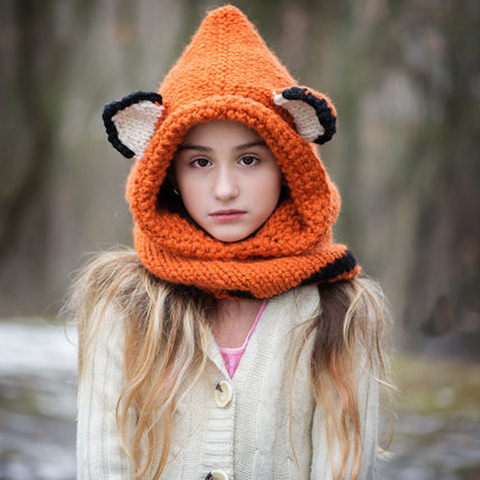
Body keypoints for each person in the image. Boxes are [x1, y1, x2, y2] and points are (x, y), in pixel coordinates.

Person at [70, 5, 392, 479]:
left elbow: (343, 467)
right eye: (200, 162)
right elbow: (103, 464)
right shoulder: (126, 302)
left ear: (288, 165)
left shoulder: (339, 311)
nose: (224, 189)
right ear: (168, 174)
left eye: (249, 160)